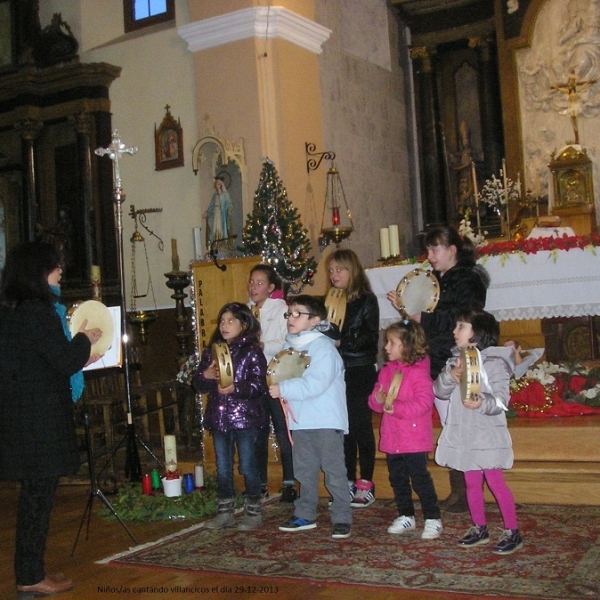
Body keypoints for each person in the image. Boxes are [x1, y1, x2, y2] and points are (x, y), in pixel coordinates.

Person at [0, 241, 103, 598]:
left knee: (35, 498)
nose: (61, 270)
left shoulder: (11, 310)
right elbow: (63, 360)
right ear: (39, 272)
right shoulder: (38, 312)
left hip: (20, 416)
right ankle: (29, 575)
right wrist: (85, 339)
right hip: (37, 420)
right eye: (55, 266)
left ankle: (33, 569)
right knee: (37, 500)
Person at [387, 226, 489, 513]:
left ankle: (468, 491)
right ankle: (460, 490)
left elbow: (467, 318)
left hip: (455, 356)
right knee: (450, 424)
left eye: (435, 249)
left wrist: (422, 316)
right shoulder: (437, 279)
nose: (429, 255)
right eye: (428, 249)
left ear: (452, 249)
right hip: (437, 356)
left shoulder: (468, 279)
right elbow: (428, 319)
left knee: (459, 425)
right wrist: (407, 311)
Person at [434, 309, 523, 555]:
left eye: (461, 326)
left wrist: (482, 402)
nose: (455, 331)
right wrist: (451, 376)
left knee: (495, 482)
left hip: (486, 435)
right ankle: (479, 527)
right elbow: (439, 391)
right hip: (465, 435)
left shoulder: (494, 362)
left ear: (478, 333)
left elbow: (502, 400)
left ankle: (512, 530)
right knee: (471, 482)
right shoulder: (456, 360)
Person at [269, 295, 352, 539]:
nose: (291, 319)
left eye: (298, 314)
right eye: (289, 314)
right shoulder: (289, 347)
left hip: (325, 420)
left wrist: (283, 389)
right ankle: (305, 513)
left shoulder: (323, 349)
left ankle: (341, 516)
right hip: (301, 420)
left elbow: (316, 384)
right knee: (304, 470)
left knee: (334, 471)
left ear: (315, 320)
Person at [193, 302, 267, 531]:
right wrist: (205, 375)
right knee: (223, 467)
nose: (225, 325)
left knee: (248, 466)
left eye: (231, 321)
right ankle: (225, 511)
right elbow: (198, 384)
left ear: (244, 324)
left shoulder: (252, 351)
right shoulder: (213, 351)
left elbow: (259, 385)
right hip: (220, 418)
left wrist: (236, 388)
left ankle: (253, 511)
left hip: (246, 419)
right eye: (222, 321)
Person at [368, 320, 442, 540]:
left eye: (392, 343)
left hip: (413, 437)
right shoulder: (386, 371)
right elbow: (374, 401)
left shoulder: (419, 373)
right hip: (393, 437)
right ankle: (406, 514)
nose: (386, 348)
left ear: (408, 345)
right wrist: (378, 399)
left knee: (420, 478)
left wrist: (396, 408)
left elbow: (424, 403)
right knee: (397, 478)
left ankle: (432, 518)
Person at [327, 249, 379, 508]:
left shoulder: (367, 300)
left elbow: (370, 339)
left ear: (353, 270)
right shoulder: (331, 299)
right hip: (337, 371)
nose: (334, 275)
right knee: (342, 429)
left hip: (359, 369)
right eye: (331, 270)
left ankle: (366, 481)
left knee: (360, 427)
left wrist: (341, 340)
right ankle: (347, 479)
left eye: (340, 269)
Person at [247, 264, 297, 502]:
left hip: (275, 376)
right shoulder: (247, 311)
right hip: (254, 380)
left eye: (259, 283)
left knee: (281, 429)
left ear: (271, 287)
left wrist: (262, 345)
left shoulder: (281, 310)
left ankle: (289, 484)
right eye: (251, 282)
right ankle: (260, 484)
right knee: (257, 432)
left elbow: (287, 340)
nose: (253, 287)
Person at [205, 177, 232, 249]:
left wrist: (229, 209)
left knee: (221, 227)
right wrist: (207, 213)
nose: (217, 185)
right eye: (216, 184)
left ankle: (221, 242)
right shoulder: (215, 195)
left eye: (218, 184)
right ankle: (215, 242)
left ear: (221, 185)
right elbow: (211, 206)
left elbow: (229, 203)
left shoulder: (225, 194)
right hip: (215, 213)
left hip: (221, 214)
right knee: (214, 227)